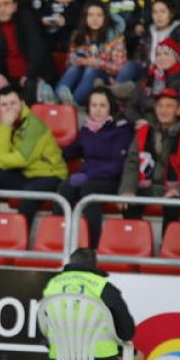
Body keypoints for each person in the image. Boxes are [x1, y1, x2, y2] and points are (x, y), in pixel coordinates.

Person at [41, 248, 134, 360]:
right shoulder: (103, 287)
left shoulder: (53, 284)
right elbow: (127, 332)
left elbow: (45, 324)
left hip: (60, 356)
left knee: (80, 355)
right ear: (94, 265)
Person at [0, 85, 68, 225]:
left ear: (22, 104)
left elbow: (22, 159)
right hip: (26, 175)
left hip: (51, 176)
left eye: (13, 103)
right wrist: (6, 127)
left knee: (29, 193)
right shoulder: (5, 123)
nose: (9, 108)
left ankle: (21, 234)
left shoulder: (35, 125)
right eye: (4, 105)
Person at [119, 88, 180, 229]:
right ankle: (137, 242)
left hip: (179, 192)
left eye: (169, 106)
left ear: (179, 110)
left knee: (172, 204)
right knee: (127, 204)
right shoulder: (144, 133)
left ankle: (166, 246)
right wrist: (127, 190)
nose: (164, 110)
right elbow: (132, 163)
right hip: (149, 188)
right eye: (160, 106)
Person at [60, 87, 133, 248]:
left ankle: (92, 246)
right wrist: (53, 152)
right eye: (94, 105)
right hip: (88, 177)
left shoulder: (121, 129)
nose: (98, 110)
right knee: (65, 188)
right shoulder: (87, 128)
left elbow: (117, 165)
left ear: (110, 107)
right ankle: (60, 239)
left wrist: (88, 175)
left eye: (102, 105)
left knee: (88, 190)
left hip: (111, 180)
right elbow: (75, 149)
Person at [57, 2, 127, 106]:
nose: (94, 19)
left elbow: (120, 67)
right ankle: (55, 100)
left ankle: (73, 104)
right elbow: (68, 62)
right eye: (90, 15)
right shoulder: (78, 34)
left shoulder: (116, 37)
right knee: (74, 68)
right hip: (80, 74)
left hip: (105, 77)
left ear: (105, 18)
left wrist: (95, 63)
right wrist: (76, 61)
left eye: (99, 15)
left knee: (91, 70)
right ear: (85, 18)